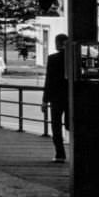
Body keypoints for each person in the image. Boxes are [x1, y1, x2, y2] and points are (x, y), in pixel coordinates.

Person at [41, 33, 68, 162]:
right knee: (72, 124)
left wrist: (45, 100)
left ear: (57, 43)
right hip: (71, 97)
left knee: (56, 126)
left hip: (56, 97)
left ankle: (60, 153)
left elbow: (49, 81)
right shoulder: (74, 58)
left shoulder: (52, 59)